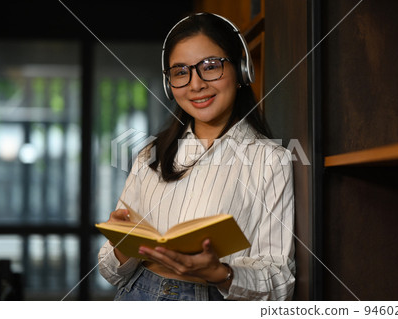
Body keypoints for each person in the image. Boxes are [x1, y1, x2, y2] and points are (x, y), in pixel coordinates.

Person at [98, 12, 295, 301]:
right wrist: (122, 246)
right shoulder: (150, 155)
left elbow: (280, 281)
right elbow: (109, 270)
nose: (196, 84)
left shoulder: (271, 161)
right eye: (180, 72)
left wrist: (221, 273)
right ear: (169, 84)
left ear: (241, 70)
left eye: (210, 67)